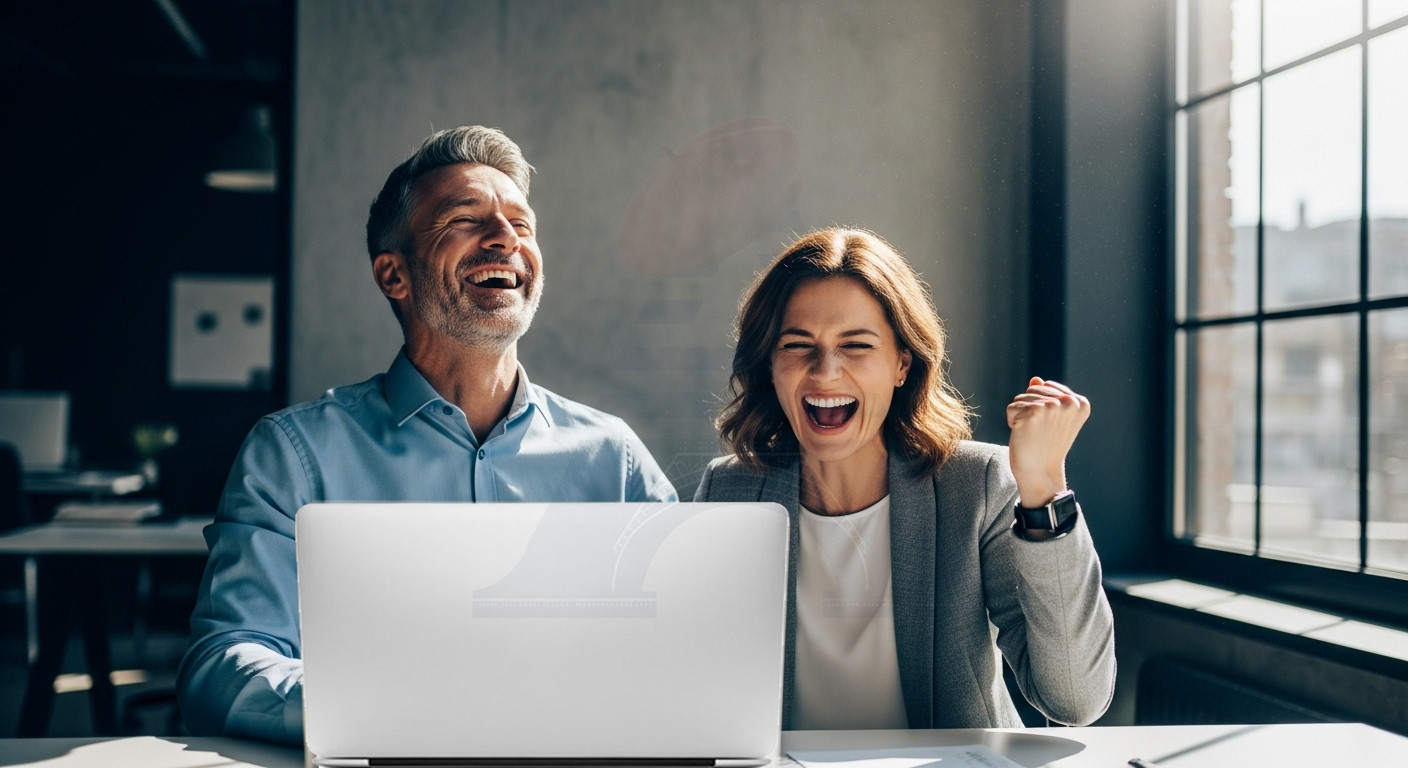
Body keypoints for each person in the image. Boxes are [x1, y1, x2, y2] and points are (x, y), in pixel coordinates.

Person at [178, 126, 677, 744]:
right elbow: (223, 663)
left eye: (522, 225)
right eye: (465, 220)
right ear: (394, 275)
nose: (505, 239)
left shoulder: (615, 460)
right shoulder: (294, 455)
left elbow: (683, 646)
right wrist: (391, 713)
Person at [695, 228, 1114, 730]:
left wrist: (1043, 485)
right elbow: (690, 678)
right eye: (797, 344)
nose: (825, 372)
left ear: (901, 364)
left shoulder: (975, 486)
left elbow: (1074, 700)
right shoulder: (728, 491)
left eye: (856, 345)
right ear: (771, 366)